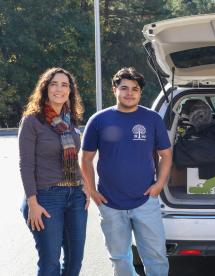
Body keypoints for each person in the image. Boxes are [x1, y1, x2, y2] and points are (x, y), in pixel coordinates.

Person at [80, 67, 172, 276]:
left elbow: (166, 155)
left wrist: (159, 185)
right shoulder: (99, 119)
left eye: (135, 89)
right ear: (115, 89)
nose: (129, 93)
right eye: (124, 88)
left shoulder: (152, 119)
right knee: (120, 258)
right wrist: (92, 191)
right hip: (110, 203)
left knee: (155, 256)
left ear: (140, 92)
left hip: (145, 201)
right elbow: (85, 159)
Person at [19, 67, 88, 275]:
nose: (59, 89)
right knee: (50, 264)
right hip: (46, 198)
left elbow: (74, 158)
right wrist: (32, 203)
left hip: (75, 196)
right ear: (45, 88)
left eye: (65, 85)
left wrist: (84, 185)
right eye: (54, 84)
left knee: (75, 262)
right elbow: (26, 164)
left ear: (70, 90)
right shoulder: (32, 121)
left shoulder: (71, 120)